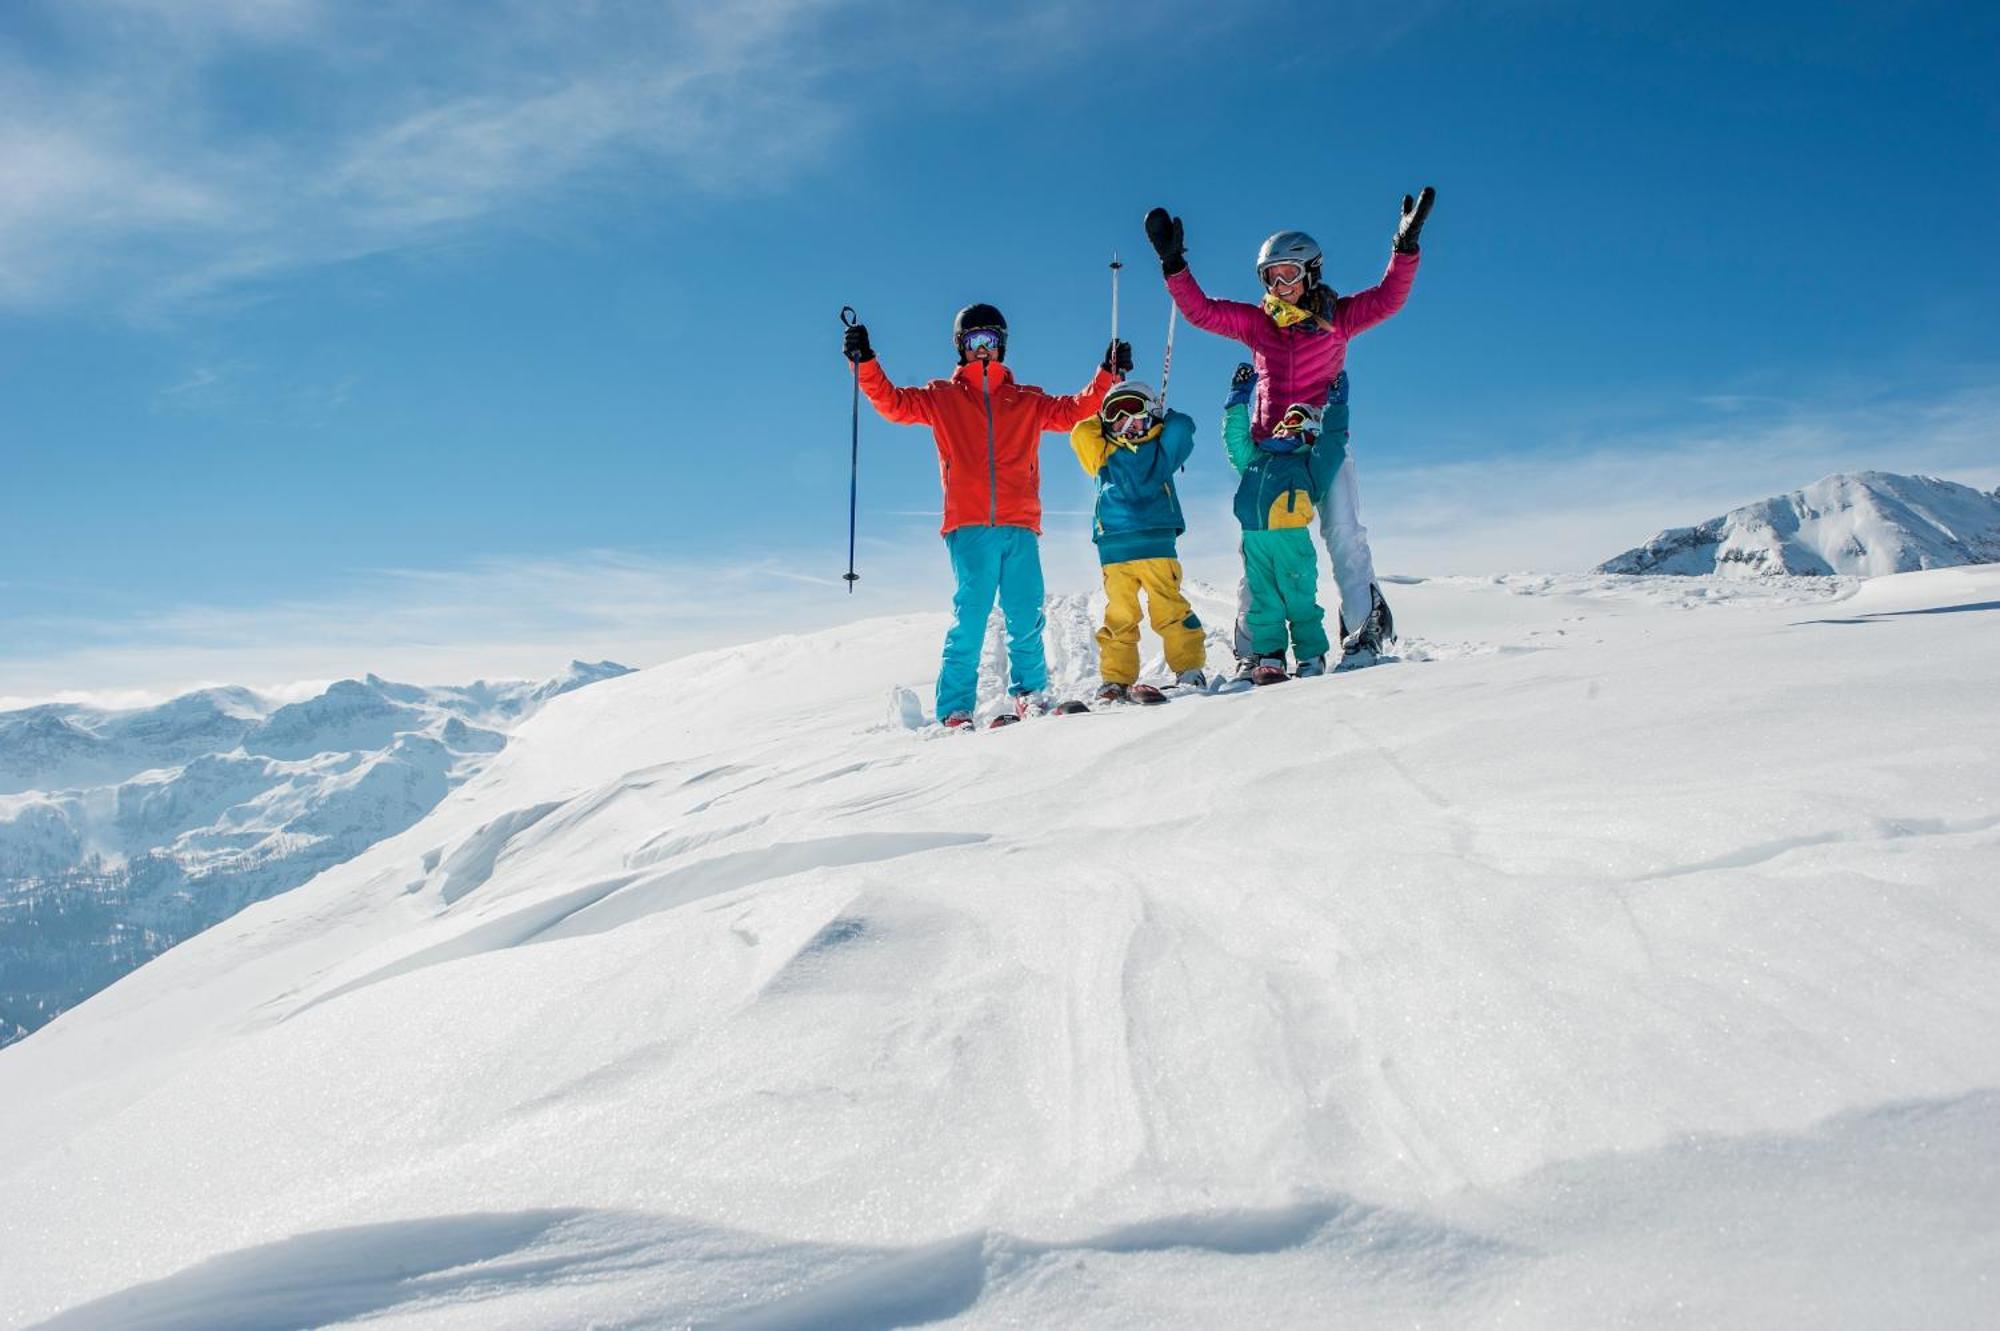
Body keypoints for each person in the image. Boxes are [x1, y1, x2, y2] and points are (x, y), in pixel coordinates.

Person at [1143, 189, 1432, 675]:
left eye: (1289, 274)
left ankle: (1363, 629)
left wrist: (1405, 247)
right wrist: (1175, 265)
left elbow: (1388, 300)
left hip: (1323, 443)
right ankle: (1256, 645)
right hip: (1270, 453)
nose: (1280, 285)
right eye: (1271, 277)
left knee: (1343, 533)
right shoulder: (1259, 326)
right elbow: (1202, 312)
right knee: (1259, 546)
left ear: (1311, 272)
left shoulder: (1337, 318)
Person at [843, 304, 1126, 727]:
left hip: (1020, 524)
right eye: (973, 342)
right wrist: (865, 362)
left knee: (1025, 613)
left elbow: (1074, 411)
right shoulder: (942, 397)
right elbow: (893, 404)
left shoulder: (1027, 400)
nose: (982, 350)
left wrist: (1107, 373)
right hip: (970, 525)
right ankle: (955, 706)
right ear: (960, 347)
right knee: (971, 616)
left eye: (989, 341)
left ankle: (1030, 693)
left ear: (1002, 345)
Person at [1067, 381, 1206, 701]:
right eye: (1117, 417)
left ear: (1151, 417)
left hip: (1156, 541)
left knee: (1168, 608)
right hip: (1115, 546)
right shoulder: (1102, 453)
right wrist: (1101, 417)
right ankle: (1116, 679)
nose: (1128, 425)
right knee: (1120, 615)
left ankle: (1188, 669)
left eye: (1136, 415)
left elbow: (1183, 427)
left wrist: (1161, 417)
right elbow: (1079, 433)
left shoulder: (1160, 450)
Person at [1222, 364, 1339, 681]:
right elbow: (1235, 440)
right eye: (1285, 421)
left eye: (1296, 421)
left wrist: (1337, 406)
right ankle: (1270, 656)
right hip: (1254, 538)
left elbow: (1333, 445)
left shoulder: (1309, 464)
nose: (1286, 426)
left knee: (1299, 599)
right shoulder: (1256, 458)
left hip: (1291, 540)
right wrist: (1237, 398)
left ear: (1311, 432)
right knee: (1264, 602)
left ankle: (1311, 656)